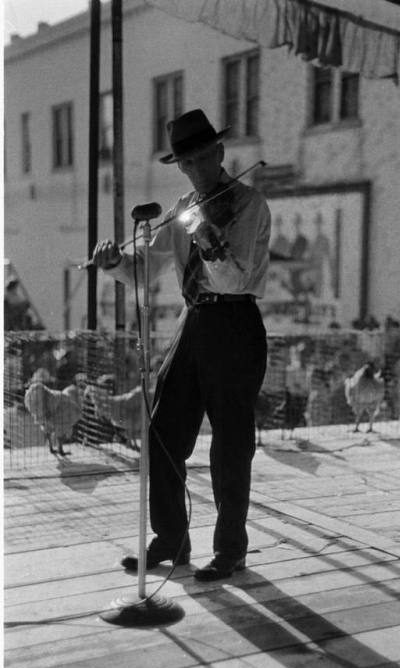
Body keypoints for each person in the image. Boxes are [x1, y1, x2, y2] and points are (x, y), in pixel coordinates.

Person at [93, 109, 271, 581]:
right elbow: (142, 270)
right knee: (162, 432)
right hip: (196, 321)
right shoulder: (182, 209)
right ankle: (172, 539)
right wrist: (114, 263)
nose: (194, 171)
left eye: (200, 159)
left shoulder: (249, 205)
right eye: (185, 164)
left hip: (235, 322)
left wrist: (209, 239)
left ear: (219, 153)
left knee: (230, 444)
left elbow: (234, 277)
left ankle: (230, 548)